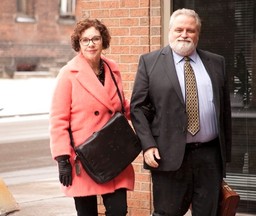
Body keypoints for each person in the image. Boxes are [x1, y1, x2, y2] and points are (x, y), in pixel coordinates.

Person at [130, 8, 232, 216]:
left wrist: (225, 155)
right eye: (179, 29)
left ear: (198, 34)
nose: (184, 34)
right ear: (170, 31)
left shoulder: (216, 63)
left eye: (190, 30)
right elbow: (138, 108)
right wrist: (148, 145)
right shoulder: (150, 62)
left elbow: (225, 112)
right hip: (168, 155)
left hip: (209, 156)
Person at [49, 18, 134, 216]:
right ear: (78, 44)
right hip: (84, 157)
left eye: (95, 38)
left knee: (119, 211)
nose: (91, 44)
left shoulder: (112, 69)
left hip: (113, 152)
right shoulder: (69, 73)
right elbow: (58, 120)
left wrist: (146, 112)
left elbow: (121, 104)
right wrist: (62, 159)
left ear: (103, 41)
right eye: (85, 40)